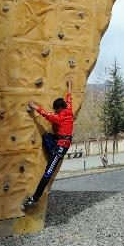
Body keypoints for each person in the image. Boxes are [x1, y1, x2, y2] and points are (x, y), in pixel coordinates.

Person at [24, 78, 73, 209]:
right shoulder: (68, 109)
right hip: (60, 141)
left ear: (60, 108)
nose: (55, 111)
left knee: (48, 173)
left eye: (56, 109)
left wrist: (34, 106)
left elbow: (46, 114)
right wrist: (69, 85)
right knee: (46, 136)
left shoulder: (59, 117)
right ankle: (52, 153)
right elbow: (69, 96)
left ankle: (34, 199)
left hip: (61, 147)